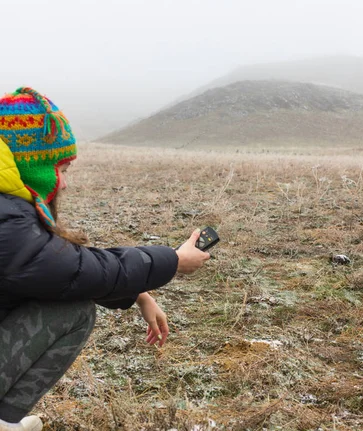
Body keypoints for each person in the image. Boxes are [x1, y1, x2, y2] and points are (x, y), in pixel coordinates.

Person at [0, 87, 210, 431]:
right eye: (61, 168)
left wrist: (138, 293)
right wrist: (171, 262)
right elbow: (70, 271)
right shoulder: (6, 217)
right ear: (31, 164)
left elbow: (50, 270)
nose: (64, 184)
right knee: (73, 312)